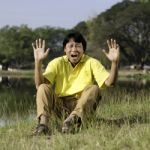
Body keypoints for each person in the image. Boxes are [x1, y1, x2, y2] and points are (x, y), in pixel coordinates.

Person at [32, 31, 120, 135]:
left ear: (83, 50)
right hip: (60, 106)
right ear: (65, 49)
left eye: (78, 46)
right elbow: (39, 85)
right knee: (43, 87)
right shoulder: (57, 62)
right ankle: (43, 125)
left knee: (94, 88)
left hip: (82, 105)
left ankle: (72, 121)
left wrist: (115, 63)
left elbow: (110, 83)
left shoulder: (92, 62)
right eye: (70, 46)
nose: (74, 49)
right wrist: (38, 62)